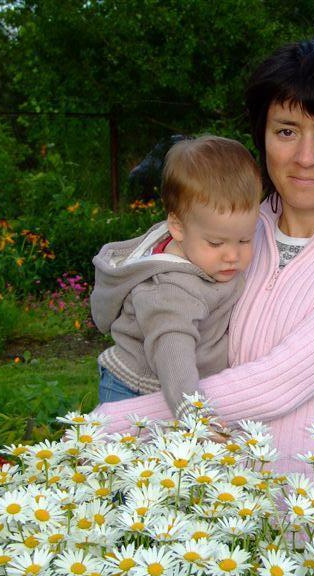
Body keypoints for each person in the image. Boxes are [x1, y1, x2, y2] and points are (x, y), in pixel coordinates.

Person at [95, 35, 314, 484]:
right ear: (262, 136)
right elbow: (161, 306)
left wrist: (114, 421)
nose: (305, 158)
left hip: (312, 514)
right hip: (216, 504)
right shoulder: (235, 232)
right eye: (286, 131)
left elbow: (279, 382)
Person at [90, 135, 262, 419]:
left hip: (175, 387)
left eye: (245, 240)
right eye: (217, 243)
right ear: (177, 228)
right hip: (135, 389)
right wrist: (193, 414)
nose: (233, 255)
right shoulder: (170, 290)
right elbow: (173, 353)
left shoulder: (201, 248)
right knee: (125, 449)